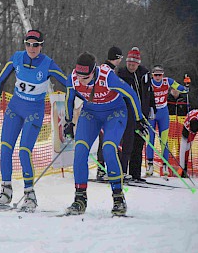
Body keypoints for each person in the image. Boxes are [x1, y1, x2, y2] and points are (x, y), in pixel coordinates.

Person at [0, 29, 67, 212]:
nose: (32, 48)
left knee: (24, 151)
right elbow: (0, 81)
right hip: (15, 108)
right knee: (5, 148)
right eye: (28, 44)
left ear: (41, 46)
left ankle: (30, 194)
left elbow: (68, 83)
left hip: (34, 111)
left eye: (36, 45)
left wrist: (72, 109)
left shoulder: (48, 64)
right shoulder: (17, 58)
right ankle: (5, 190)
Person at [64, 52, 148, 216]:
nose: (81, 81)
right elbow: (69, 98)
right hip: (90, 114)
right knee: (80, 150)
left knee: (109, 149)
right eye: (79, 76)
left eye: (86, 78)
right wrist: (69, 122)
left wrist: (139, 118)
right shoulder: (73, 78)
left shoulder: (107, 76)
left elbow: (130, 93)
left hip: (114, 113)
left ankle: (118, 198)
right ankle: (80, 199)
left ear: (93, 72)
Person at [117, 47, 156, 182]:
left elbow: (149, 92)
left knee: (138, 144)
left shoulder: (144, 74)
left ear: (138, 63)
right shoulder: (121, 74)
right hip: (127, 115)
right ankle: (122, 172)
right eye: (129, 63)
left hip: (142, 115)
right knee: (126, 144)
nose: (131, 65)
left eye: (133, 63)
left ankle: (135, 173)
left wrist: (152, 108)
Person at [146, 65, 188, 178]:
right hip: (152, 113)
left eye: (160, 74)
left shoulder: (167, 81)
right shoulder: (149, 83)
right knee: (150, 139)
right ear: (152, 75)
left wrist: (185, 88)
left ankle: (164, 165)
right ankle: (149, 165)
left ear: (163, 75)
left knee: (164, 140)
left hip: (163, 113)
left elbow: (178, 87)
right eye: (156, 75)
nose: (158, 77)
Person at [96, 46, 123, 181]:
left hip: (107, 110)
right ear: (117, 58)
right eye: (120, 59)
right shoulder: (107, 71)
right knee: (105, 141)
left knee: (109, 141)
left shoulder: (107, 69)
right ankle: (101, 169)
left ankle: (106, 169)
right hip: (103, 111)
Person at [178, 109, 198, 178]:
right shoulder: (186, 125)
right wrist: (182, 167)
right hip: (192, 122)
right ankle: (183, 169)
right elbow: (183, 146)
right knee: (186, 147)